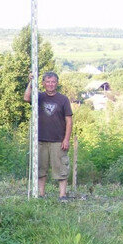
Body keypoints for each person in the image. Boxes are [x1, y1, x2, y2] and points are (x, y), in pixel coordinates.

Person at [24, 71, 73, 200]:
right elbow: (27, 98)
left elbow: (69, 121)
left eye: (53, 82)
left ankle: (62, 195)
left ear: (57, 83)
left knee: (61, 168)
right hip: (40, 140)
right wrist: (31, 82)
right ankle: (41, 194)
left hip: (58, 140)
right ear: (43, 83)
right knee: (40, 168)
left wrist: (66, 139)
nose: (50, 84)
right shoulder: (39, 97)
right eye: (48, 82)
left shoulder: (63, 99)